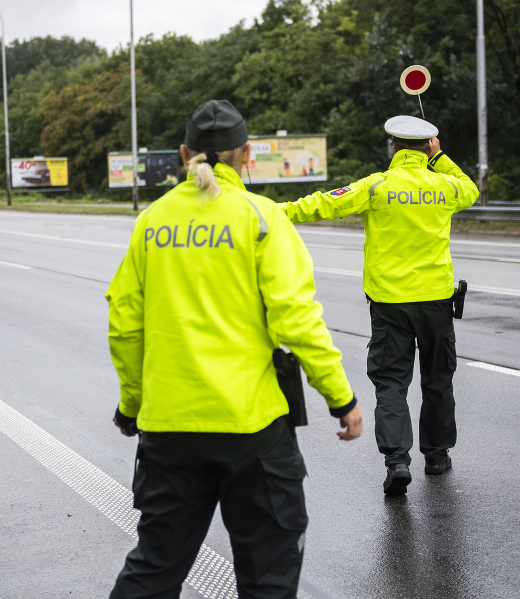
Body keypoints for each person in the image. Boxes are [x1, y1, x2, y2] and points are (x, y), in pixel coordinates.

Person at [106, 99, 363, 599]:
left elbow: (125, 324)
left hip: (169, 429)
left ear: (184, 154)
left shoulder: (151, 222)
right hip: (253, 431)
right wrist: (341, 397)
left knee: (154, 568)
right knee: (268, 576)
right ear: (246, 154)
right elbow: (297, 318)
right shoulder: (261, 219)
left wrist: (132, 404)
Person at [278, 115, 479, 495]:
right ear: (428, 148)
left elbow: (325, 204)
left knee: (390, 384)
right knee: (438, 381)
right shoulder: (445, 186)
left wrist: (275, 212)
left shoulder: (376, 185)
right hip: (436, 302)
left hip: (389, 305)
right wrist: (440, 158)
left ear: (394, 148)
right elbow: (471, 189)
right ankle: (436, 457)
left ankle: (397, 462)